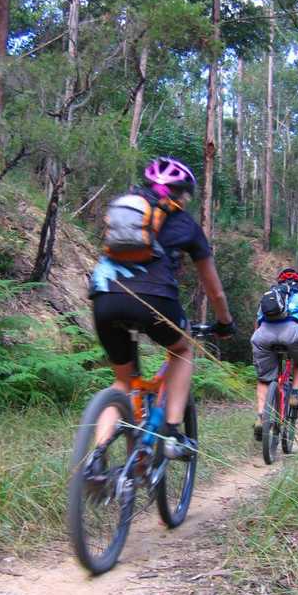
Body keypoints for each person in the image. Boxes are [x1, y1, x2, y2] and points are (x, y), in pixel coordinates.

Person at [90, 157, 235, 459]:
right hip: (155, 300)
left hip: (104, 296)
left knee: (123, 381)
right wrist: (224, 322)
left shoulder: (124, 209)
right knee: (182, 350)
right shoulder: (186, 224)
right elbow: (214, 290)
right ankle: (171, 434)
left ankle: (96, 456)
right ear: (182, 194)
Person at [251, 267, 298, 440]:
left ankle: (261, 417)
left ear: (279, 283)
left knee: (264, 379)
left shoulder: (268, 296)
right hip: (293, 335)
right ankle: (295, 394)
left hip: (263, 336)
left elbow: (257, 325)